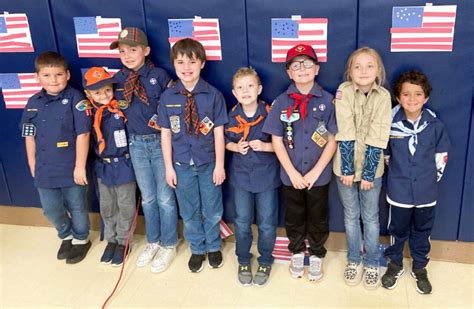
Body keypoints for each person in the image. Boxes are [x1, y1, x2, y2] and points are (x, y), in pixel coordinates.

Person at [262, 44, 337, 282]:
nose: (302, 69)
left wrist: (316, 172)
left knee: (318, 215)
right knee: (293, 215)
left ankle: (316, 252)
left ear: (316, 69)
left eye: (307, 64)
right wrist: (291, 172)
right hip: (290, 175)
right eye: (296, 65)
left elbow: (333, 138)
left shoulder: (328, 100)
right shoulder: (281, 102)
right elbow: (276, 138)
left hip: (319, 175)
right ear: (289, 72)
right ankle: (295, 250)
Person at [109, 27, 178, 273]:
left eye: (133, 50)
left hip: (160, 143)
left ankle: (169, 243)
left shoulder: (159, 76)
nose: (127, 55)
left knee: (164, 198)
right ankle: (153, 240)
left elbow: (173, 105)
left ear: (146, 51)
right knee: (147, 197)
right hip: (135, 143)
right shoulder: (117, 79)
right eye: (122, 51)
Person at [157, 38, 228, 273]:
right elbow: (165, 134)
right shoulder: (168, 97)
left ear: (202, 64)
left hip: (208, 163)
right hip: (180, 164)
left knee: (212, 208)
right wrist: (168, 167)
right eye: (180, 62)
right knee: (188, 211)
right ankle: (197, 248)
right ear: (173, 65)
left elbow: (219, 133)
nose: (186, 67)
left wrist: (220, 165)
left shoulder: (214, 95)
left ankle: (214, 245)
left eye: (192, 61)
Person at [381, 70, 450, 294]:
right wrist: (400, 177)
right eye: (406, 94)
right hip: (399, 191)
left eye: (418, 94)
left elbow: (441, 156)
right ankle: (395, 264)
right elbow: (387, 156)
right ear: (398, 98)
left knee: (423, 231)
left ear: (426, 98)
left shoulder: (435, 125)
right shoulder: (390, 125)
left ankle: (420, 267)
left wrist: (429, 180)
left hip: (426, 192)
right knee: (397, 230)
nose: (412, 99)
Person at [20, 51, 92, 264]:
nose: (53, 80)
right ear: (37, 77)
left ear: (68, 75)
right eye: (47, 75)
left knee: (77, 205)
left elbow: (83, 134)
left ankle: (81, 239)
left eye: (58, 75)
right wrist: (32, 164)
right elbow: (29, 136)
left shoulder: (76, 99)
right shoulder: (33, 102)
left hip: (71, 167)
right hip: (44, 168)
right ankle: (66, 235)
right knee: (51, 209)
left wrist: (80, 167)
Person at [333, 47, 391, 289]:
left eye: (369, 66)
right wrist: (347, 168)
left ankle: (371, 262)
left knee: (370, 217)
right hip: (344, 168)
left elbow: (379, 135)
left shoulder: (384, 96)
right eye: (357, 66)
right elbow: (344, 129)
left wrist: (367, 173)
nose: (363, 71)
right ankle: (354, 260)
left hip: (372, 171)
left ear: (378, 71)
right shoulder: (343, 92)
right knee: (350, 215)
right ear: (350, 71)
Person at [225, 67, 280, 286]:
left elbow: (282, 145)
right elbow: (224, 141)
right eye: (240, 87)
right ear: (234, 92)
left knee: (267, 222)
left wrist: (266, 146)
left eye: (250, 86)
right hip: (241, 179)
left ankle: (266, 259)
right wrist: (236, 148)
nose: (245, 91)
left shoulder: (270, 113)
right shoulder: (231, 115)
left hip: (267, 178)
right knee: (242, 222)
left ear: (259, 89)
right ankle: (244, 259)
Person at [83, 67, 137, 267]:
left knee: (126, 204)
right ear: (88, 94)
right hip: (103, 167)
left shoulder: (121, 109)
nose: (104, 95)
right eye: (97, 92)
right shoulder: (88, 115)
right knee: (107, 205)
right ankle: (112, 239)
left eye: (107, 90)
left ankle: (123, 241)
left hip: (123, 164)